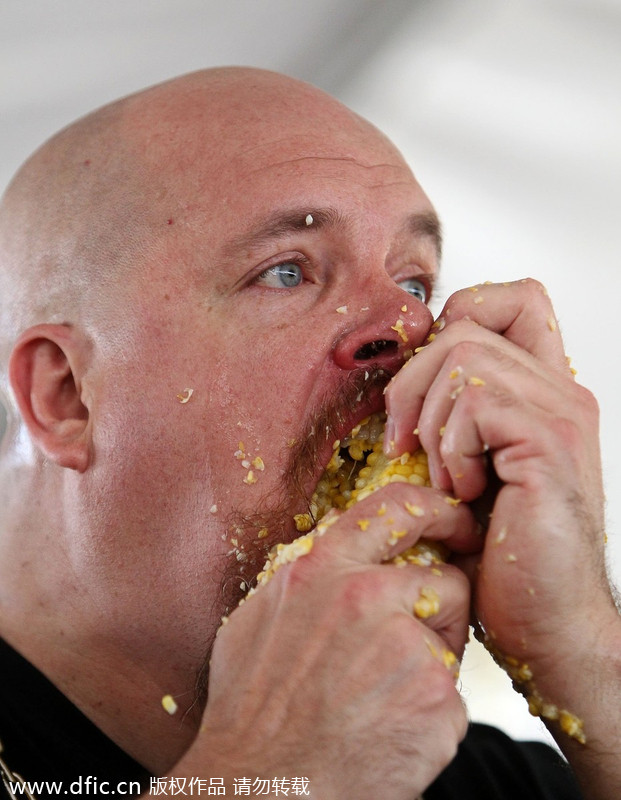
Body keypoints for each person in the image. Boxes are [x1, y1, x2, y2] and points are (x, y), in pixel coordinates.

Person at [0, 66, 618, 800]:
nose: (409, 326)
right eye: (288, 272)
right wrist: (260, 781)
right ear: (66, 394)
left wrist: (584, 652)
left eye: (415, 282)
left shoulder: (487, 781)